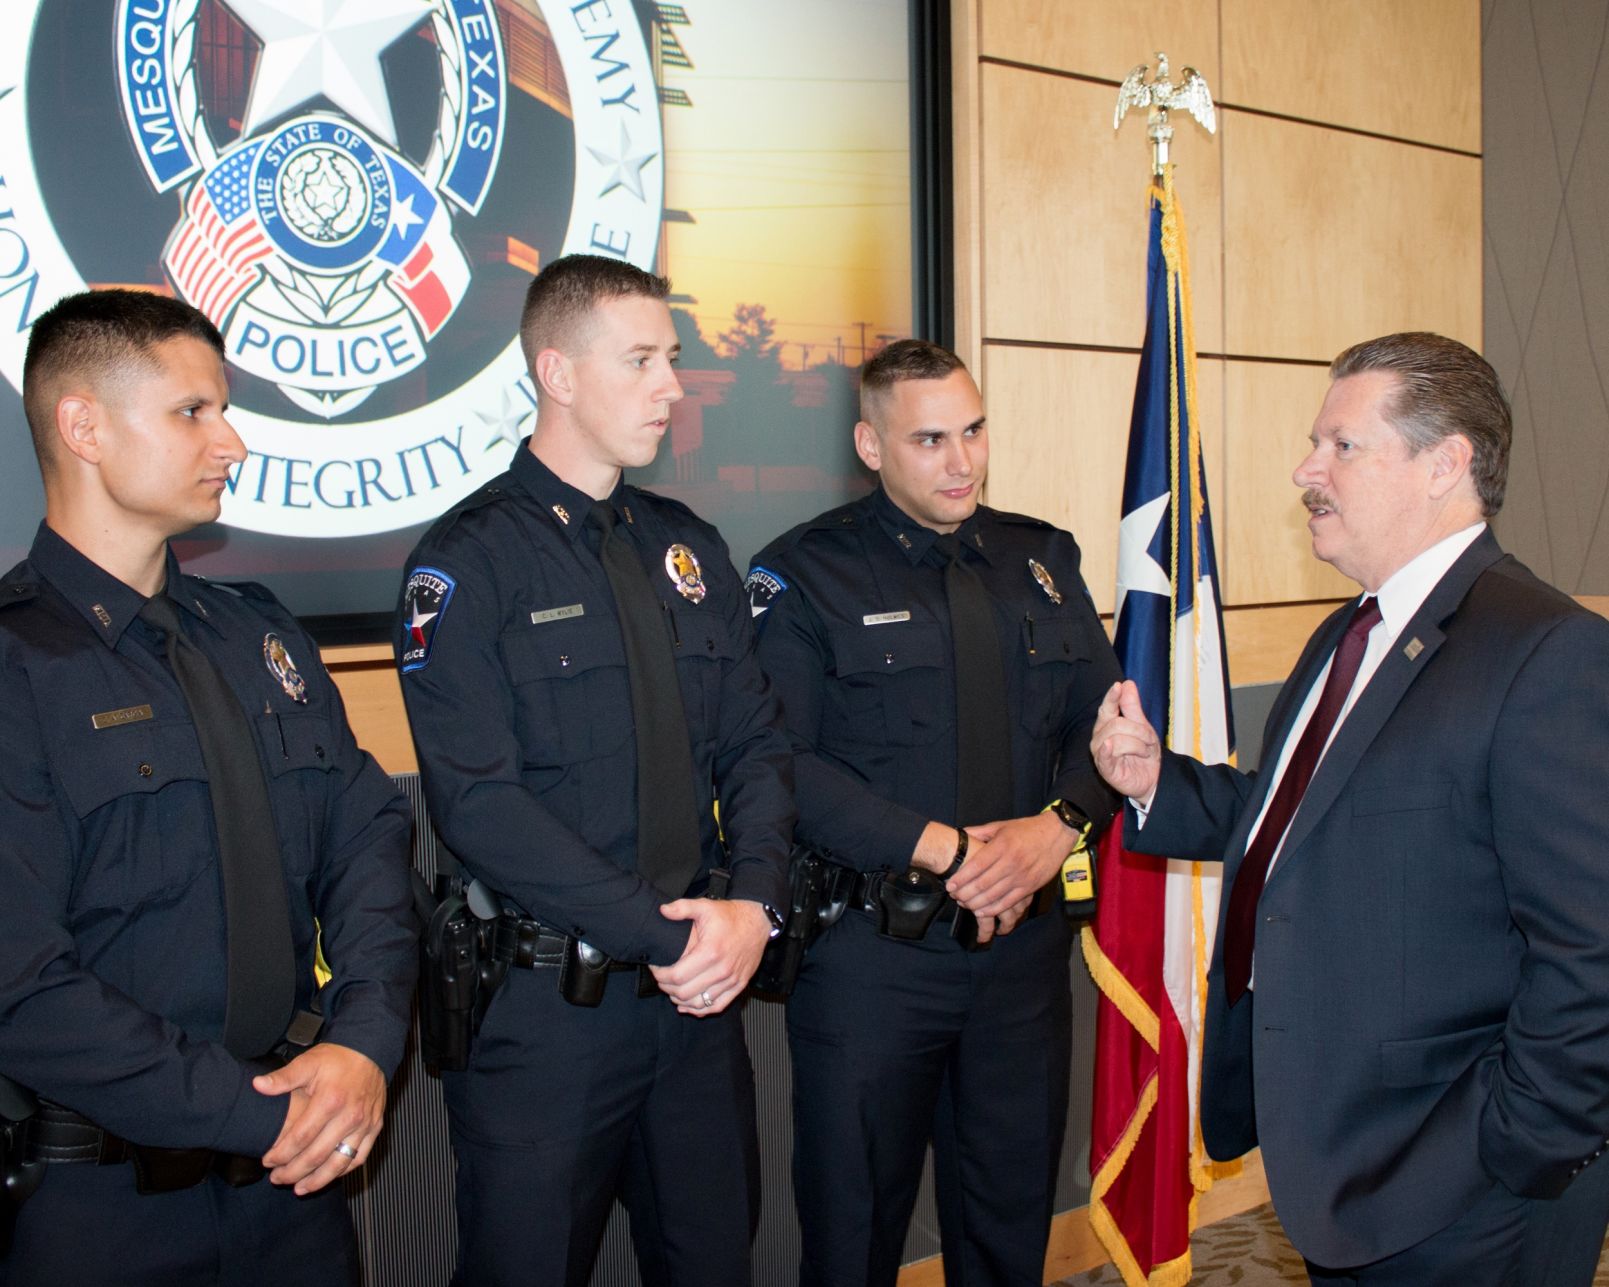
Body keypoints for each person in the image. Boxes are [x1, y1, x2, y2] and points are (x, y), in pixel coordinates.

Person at [1092, 332, 1609, 1285]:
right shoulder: (1351, 627)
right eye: (1311, 444)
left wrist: (1521, 1144)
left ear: (1444, 462)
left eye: (1340, 445)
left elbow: (1589, 949)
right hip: (1348, 1164)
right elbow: (1298, 815)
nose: (1305, 470)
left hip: (1468, 1183)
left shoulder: (1548, 651)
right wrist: (1156, 782)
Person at [0, 289, 417, 1285]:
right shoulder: (17, 668)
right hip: (97, 1211)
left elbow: (364, 839)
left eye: (223, 410)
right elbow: (22, 984)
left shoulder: (256, 633)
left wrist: (361, 1045)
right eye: (194, 412)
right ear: (83, 425)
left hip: (291, 1191)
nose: (230, 441)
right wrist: (262, 1113)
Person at [397, 254, 793, 1287]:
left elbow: (755, 747)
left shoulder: (689, 550)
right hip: (547, 1021)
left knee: (713, 1262)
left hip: (698, 1000)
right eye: (643, 361)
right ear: (558, 374)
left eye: (673, 358)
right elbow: (480, 807)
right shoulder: (468, 564)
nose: (672, 385)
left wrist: (753, 904)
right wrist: (662, 933)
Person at [747, 338, 1121, 1286]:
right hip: (874, 961)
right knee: (852, 1228)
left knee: (1008, 1222)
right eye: (929, 440)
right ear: (871, 446)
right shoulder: (803, 575)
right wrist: (944, 851)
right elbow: (779, 758)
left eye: (974, 430)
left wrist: (1057, 827)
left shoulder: (1039, 558)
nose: (962, 462)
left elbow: (1106, 726)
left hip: (1021, 958)